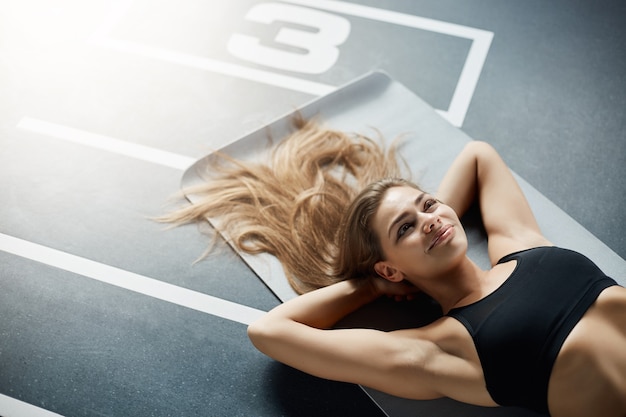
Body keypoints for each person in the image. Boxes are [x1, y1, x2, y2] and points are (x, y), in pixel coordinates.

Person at [161, 119, 626, 417]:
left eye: (429, 205)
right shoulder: (441, 349)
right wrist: (368, 287)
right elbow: (269, 332)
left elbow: (478, 155)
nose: (429, 220)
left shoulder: (522, 247)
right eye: (405, 228)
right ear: (388, 269)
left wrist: (426, 221)